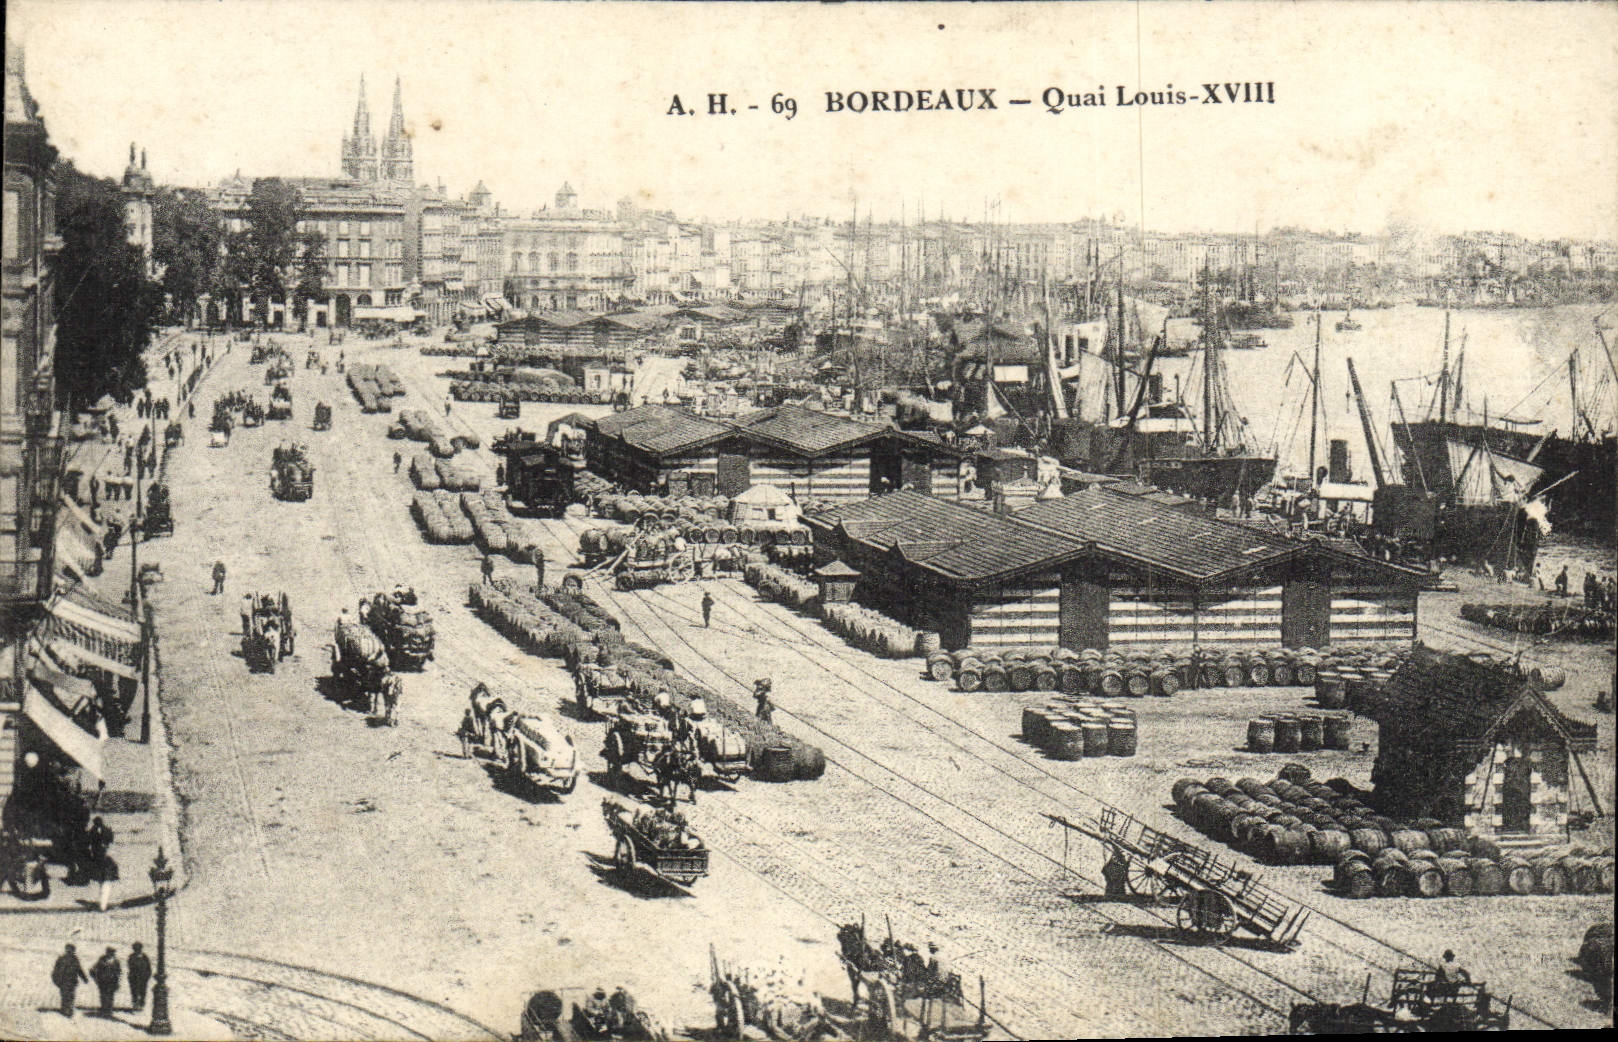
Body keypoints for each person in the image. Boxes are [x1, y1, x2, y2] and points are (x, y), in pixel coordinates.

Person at [52, 944, 89, 1018]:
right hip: (64, 981)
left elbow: (79, 970)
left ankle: (67, 1010)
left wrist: (84, 978)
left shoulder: (73, 959)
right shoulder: (62, 959)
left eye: (71, 950)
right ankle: (66, 1010)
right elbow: (56, 971)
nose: (70, 951)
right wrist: (57, 980)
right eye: (69, 950)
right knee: (66, 995)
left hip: (71, 981)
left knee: (69, 996)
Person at [90, 947, 121, 1017]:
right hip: (103, 982)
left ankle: (109, 1010)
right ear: (107, 952)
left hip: (112, 982)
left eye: (113, 952)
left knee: (110, 996)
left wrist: (118, 981)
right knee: (103, 996)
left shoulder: (116, 961)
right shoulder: (102, 960)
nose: (111, 954)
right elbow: (92, 970)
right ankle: (104, 1009)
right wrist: (96, 979)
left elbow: (119, 972)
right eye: (110, 952)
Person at [126, 942, 151, 1012]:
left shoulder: (144, 957)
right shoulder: (131, 957)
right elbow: (130, 966)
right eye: (136, 949)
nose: (137, 950)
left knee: (142, 992)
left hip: (143, 978)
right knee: (134, 992)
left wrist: (147, 975)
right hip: (134, 978)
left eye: (138, 949)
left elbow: (148, 967)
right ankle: (135, 1005)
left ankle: (141, 1005)